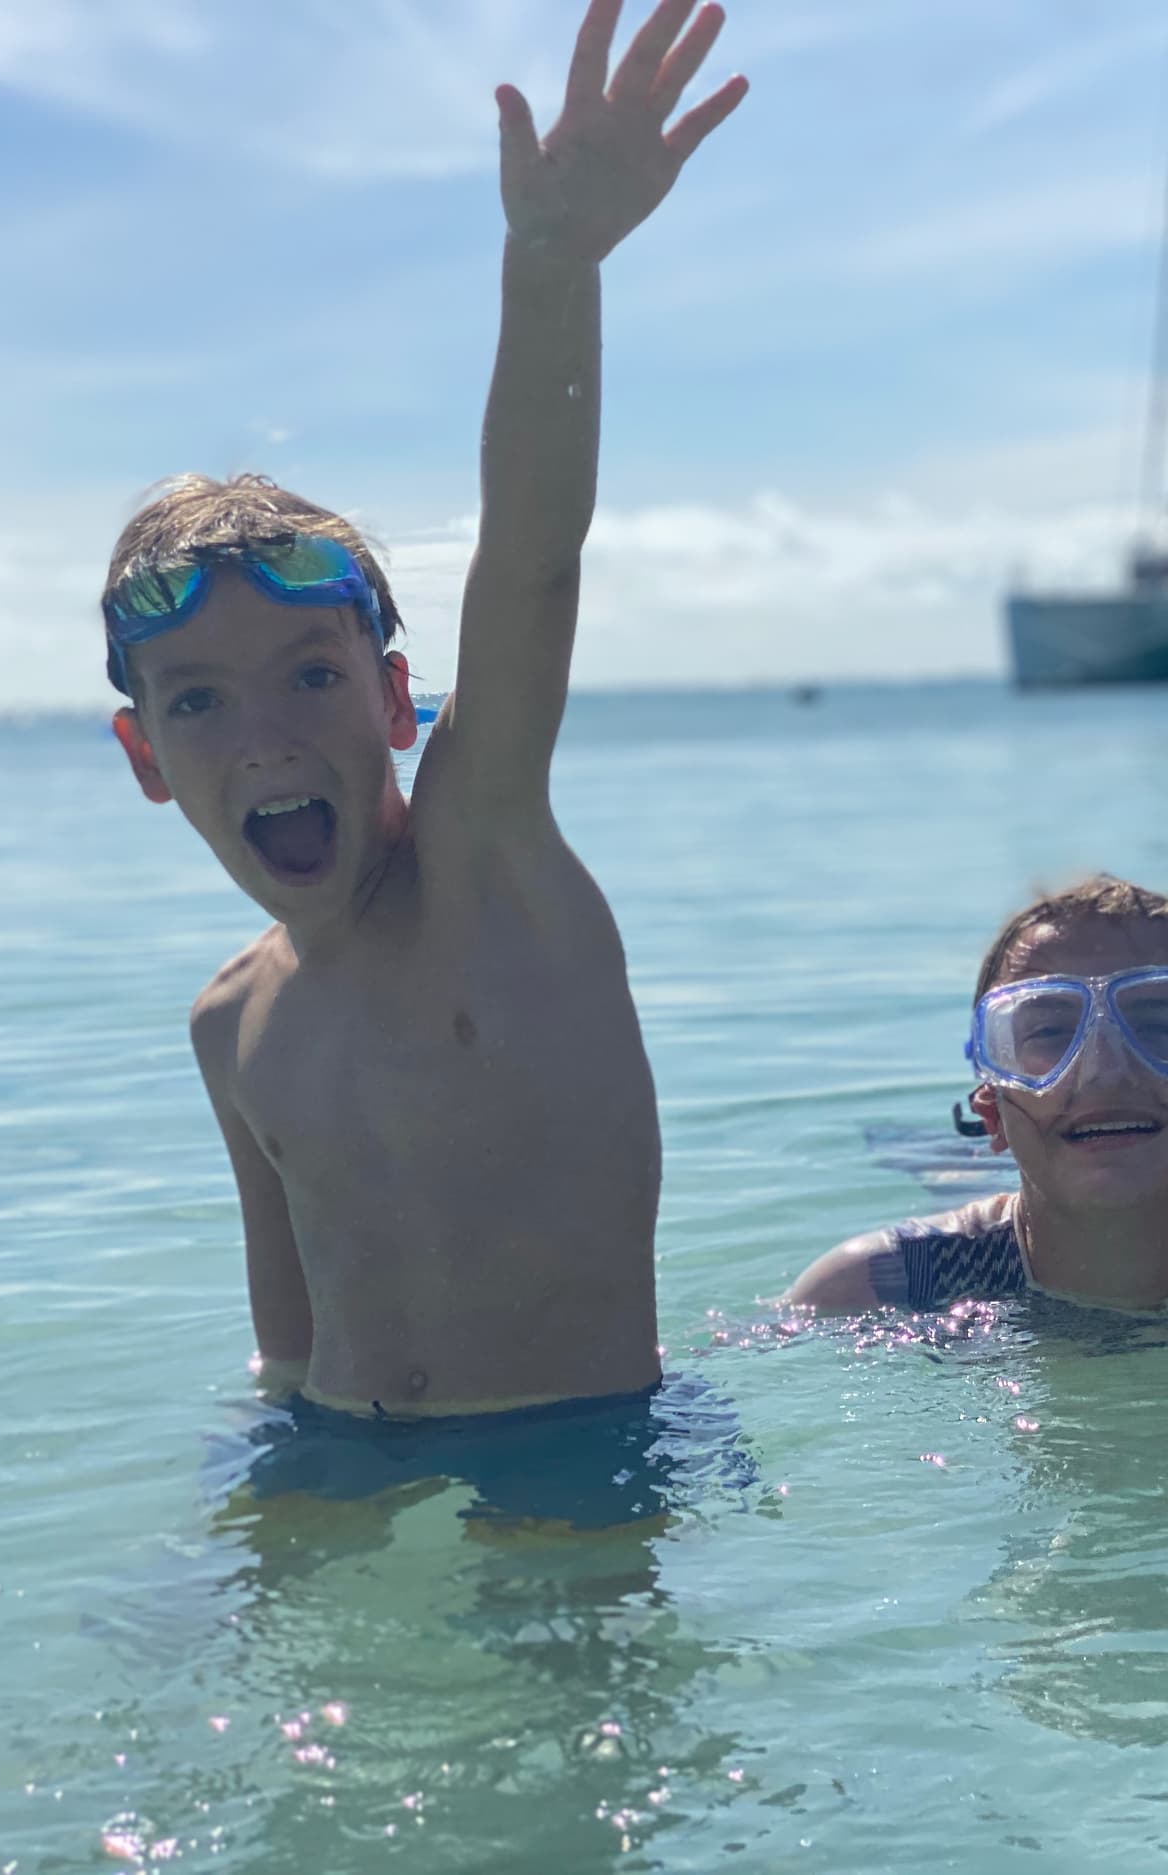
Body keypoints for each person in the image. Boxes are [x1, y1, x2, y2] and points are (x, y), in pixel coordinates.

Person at [100, 0, 749, 1415]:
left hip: (579, 1469)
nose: (267, 735)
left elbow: (531, 557)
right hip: (341, 1453)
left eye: (312, 675)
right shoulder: (229, 1024)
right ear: (146, 756)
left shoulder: (487, 861)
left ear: (398, 700)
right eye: (199, 700)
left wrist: (552, 264)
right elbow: (285, 1353)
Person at [787, 877, 1168, 1313]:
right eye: (1051, 1032)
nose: (1104, 1072)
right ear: (992, 1114)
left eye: (1157, 1026)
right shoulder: (878, 1289)